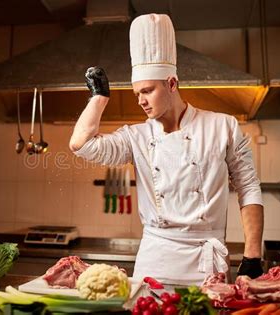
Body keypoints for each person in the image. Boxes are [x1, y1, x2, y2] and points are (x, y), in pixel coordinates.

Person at [69, 13, 264, 285]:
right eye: (137, 94)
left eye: (147, 91)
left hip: (207, 262)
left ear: (171, 84)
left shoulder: (223, 127)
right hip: (155, 259)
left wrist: (253, 256)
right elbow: (82, 145)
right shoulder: (136, 137)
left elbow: (249, 186)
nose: (141, 101)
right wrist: (99, 98)